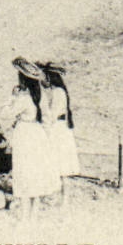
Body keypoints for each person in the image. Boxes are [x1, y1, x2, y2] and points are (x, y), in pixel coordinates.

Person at [3, 59, 60, 215]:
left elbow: (5, 114)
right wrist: (45, 137)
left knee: (23, 173)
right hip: (38, 134)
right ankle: (33, 213)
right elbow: (47, 119)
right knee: (36, 173)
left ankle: (25, 214)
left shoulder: (23, 98)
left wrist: (12, 97)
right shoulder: (41, 97)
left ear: (22, 80)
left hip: (24, 135)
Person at [39, 62, 80, 196]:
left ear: (50, 77)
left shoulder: (57, 92)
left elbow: (53, 114)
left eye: (44, 77)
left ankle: (63, 199)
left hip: (58, 130)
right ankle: (59, 198)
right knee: (60, 167)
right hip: (60, 128)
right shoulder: (57, 91)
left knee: (61, 166)